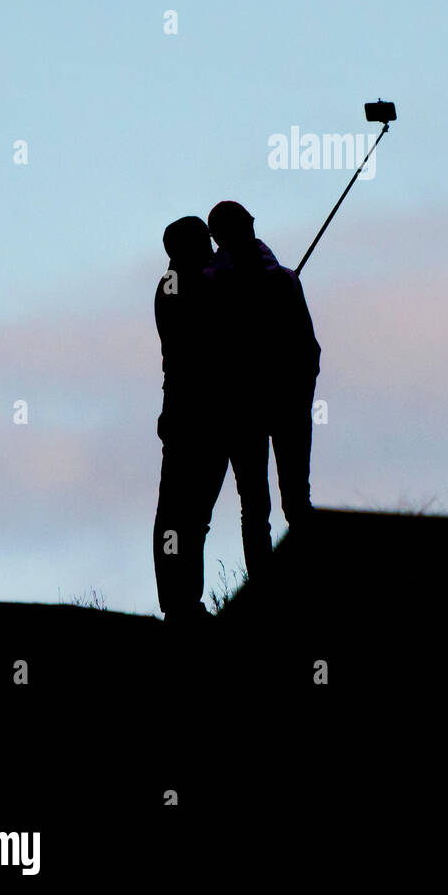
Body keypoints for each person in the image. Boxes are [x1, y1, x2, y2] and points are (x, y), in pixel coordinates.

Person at [152, 215, 273, 628]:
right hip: (194, 418)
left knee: (187, 516)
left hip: (197, 417)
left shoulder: (188, 283)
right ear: (187, 246)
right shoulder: (185, 287)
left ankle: (183, 602)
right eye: (204, 239)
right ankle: (180, 603)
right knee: (182, 516)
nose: (211, 245)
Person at [206, 201, 321, 531]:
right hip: (262, 407)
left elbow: (309, 352)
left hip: (256, 407)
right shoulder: (281, 281)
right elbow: (309, 352)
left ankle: (272, 580)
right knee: (276, 503)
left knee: (264, 505)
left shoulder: (214, 285)